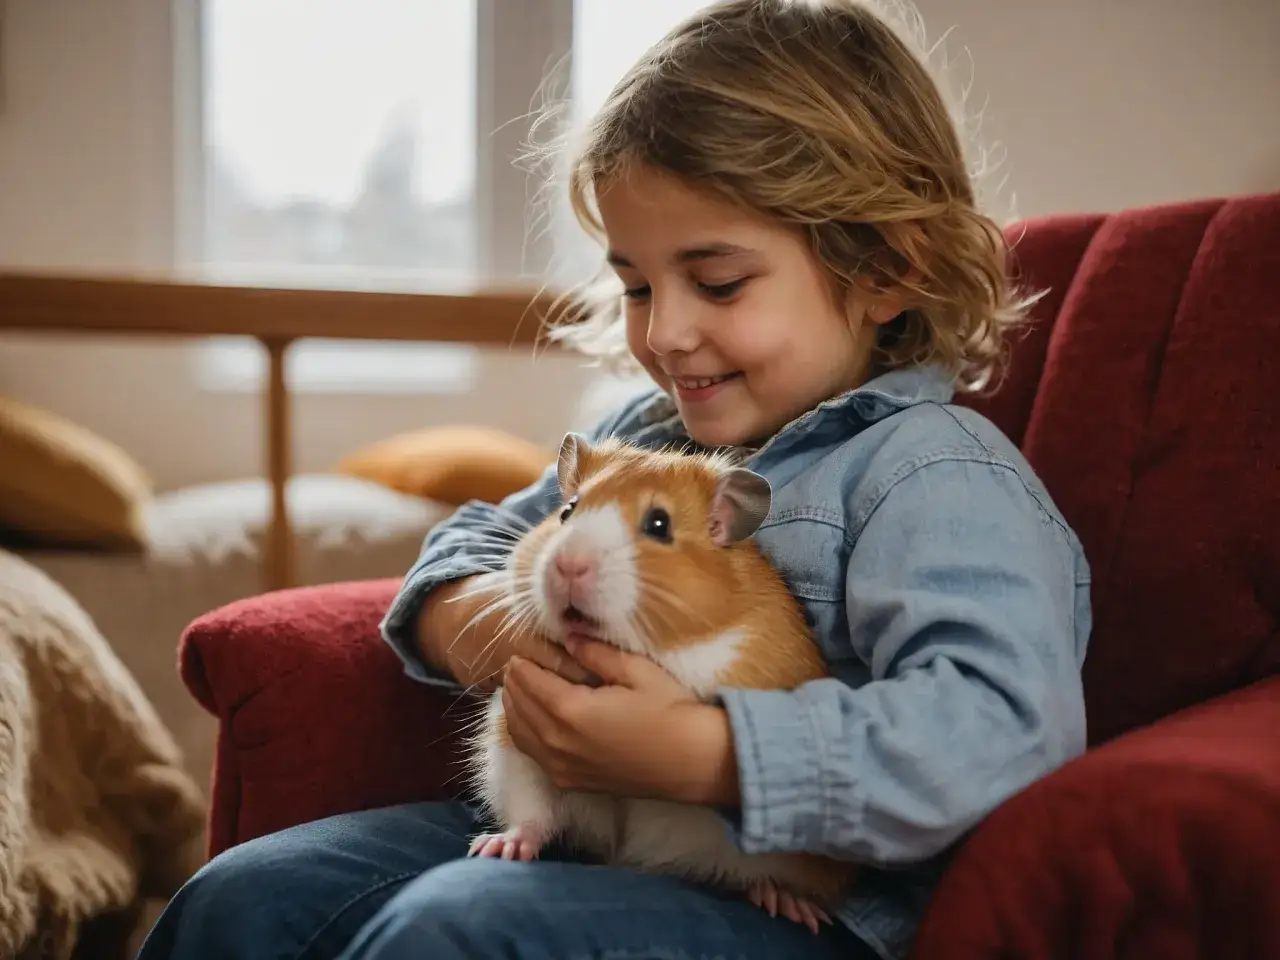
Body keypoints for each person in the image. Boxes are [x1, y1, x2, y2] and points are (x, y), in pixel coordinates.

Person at [138, 1, 1091, 958]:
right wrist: (510, 637)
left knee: (455, 928)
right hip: (584, 836)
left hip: (787, 906)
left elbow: (998, 731)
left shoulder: (930, 475)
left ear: (886, 269)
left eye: (717, 283)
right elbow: (472, 544)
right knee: (243, 897)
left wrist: (704, 756)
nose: (664, 332)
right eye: (637, 285)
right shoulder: (638, 436)